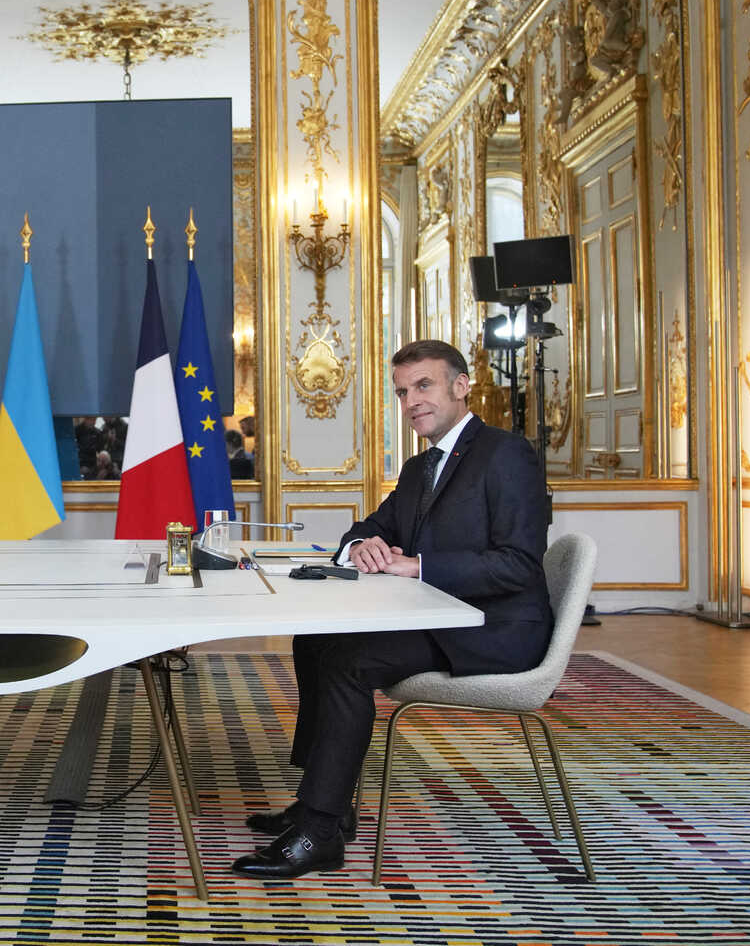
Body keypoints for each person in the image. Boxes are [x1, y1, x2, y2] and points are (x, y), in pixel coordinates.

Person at [233, 339, 552, 879]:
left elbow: (520, 565)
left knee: (348, 661)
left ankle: (320, 830)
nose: (411, 401)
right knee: (316, 639)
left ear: (460, 385)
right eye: (403, 391)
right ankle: (326, 803)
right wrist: (360, 547)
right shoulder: (417, 468)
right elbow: (367, 529)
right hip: (440, 618)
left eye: (423, 385)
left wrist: (419, 566)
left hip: (494, 628)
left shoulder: (506, 454)